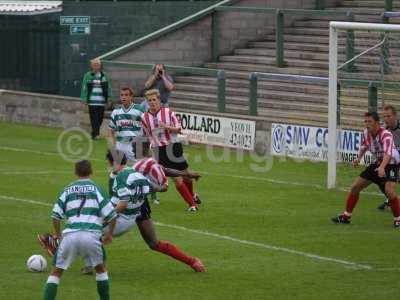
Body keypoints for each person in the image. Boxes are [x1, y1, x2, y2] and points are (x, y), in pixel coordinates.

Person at [39, 151, 206, 275]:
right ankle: (193, 262)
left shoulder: (124, 174)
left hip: (123, 214)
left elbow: (122, 204)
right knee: (154, 243)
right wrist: (165, 186)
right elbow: (156, 181)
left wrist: (107, 218)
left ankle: (60, 247)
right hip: (134, 210)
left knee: (86, 229)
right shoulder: (138, 170)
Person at [41, 160, 117, 300]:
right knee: (101, 270)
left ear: (75, 173)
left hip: (70, 235)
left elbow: (55, 215)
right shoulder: (97, 189)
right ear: (91, 172)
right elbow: (112, 215)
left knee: (56, 272)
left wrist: (58, 236)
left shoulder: (67, 189)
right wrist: (109, 235)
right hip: (92, 236)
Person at [331, 112, 400, 228]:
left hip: (391, 164)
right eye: (365, 121)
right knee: (355, 187)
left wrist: (382, 167)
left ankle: (398, 219)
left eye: (370, 122)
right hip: (377, 163)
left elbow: (388, 153)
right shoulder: (366, 133)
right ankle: (346, 216)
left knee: (390, 192)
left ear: (377, 123)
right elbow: (364, 146)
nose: (367, 124)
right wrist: (358, 158)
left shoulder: (386, 134)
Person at [141, 89, 201, 212]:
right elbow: (147, 136)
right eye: (149, 101)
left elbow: (179, 129)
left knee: (187, 177)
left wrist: (166, 127)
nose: (152, 103)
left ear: (159, 100)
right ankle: (192, 205)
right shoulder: (144, 118)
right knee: (177, 179)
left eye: (154, 100)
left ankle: (192, 197)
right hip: (159, 151)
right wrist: (150, 153)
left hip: (173, 147)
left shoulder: (168, 112)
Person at [132, 137, 201, 205]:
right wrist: (161, 187)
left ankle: (192, 199)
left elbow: (165, 170)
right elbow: (162, 185)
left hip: (133, 197)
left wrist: (185, 174)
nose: (152, 149)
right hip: (132, 199)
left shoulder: (141, 163)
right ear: (147, 150)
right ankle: (192, 204)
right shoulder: (150, 162)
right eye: (151, 147)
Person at [108, 87, 144, 162]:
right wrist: (113, 144)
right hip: (120, 145)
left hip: (135, 145)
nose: (123, 97)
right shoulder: (116, 111)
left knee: (138, 170)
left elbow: (147, 126)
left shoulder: (139, 109)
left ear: (131, 96)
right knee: (117, 171)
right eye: (122, 95)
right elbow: (111, 129)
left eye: (126, 95)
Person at [80, 59, 113, 140]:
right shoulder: (88, 75)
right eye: (94, 65)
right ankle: (96, 135)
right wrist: (84, 98)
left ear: (100, 66)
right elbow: (84, 87)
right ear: (91, 66)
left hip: (101, 102)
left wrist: (109, 98)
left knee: (100, 118)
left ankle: (93, 133)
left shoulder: (104, 75)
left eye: (97, 65)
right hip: (92, 102)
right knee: (94, 118)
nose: (96, 67)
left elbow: (109, 87)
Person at [377, 105, 400, 210]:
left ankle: (391, 201)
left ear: (396, 116)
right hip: (393, 157)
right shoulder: (383, 129)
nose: (386, 119)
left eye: (389, 116)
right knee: (383, 178)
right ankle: (390, 200)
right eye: (384, 116)